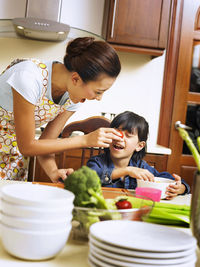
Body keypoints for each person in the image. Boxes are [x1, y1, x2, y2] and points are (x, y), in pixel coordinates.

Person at [0, 37, 122, 183]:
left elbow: (46, 143)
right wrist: (84, 139)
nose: (99, 98)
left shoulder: (72, 97)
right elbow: (27, 146)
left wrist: (54, 171)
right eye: (98, 91)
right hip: (19, 148)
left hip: (13, 158)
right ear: (75, 79)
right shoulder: (29, 78)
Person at [87, 111, 190, 199]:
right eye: (116, 132)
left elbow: (164, 178)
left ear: (139, 146)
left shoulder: (140, 167)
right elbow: (90, 179)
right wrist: (127, 170)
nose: (119, 138)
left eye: (128, 135)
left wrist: (180, 188)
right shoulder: (96, 162)